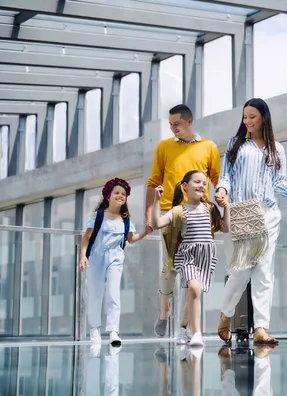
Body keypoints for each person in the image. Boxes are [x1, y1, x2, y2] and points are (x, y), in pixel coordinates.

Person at [214, 98, 287, 345]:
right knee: (239, 271)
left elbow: (278, 182)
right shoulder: (235, 145)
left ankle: (261, 328)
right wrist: (222, 192)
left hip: (268, 214)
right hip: (241, 212)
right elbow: (226, 176)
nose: (247, 121)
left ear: (263, 118)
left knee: (264, 271)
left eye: (252, 117)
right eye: (245, 116)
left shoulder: (276, 149)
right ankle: (226, 313)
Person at [145, 104, 221, 338]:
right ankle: (165, 310)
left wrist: (223, 202)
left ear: (189, 121)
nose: (172, 128)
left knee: (195, 273)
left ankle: (186, 323)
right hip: (172, 212)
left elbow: (218, 180)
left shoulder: (209, 147)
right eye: (170, 124)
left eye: (176, 123)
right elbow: (153, 181)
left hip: (201, 213)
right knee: (169, 269)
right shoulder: (164, 147)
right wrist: (149, 215)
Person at [152, 170, 229, 346]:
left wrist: (227, 207)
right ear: (185, 186)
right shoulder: (178, 211)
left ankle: (182, 328)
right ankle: (196, 334)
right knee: (194, 288)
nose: (201, 185)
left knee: (193, 292)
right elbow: (157, 224)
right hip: (187, 255)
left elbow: (224, 228)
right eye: (197, 182)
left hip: (206, 255)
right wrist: (156, 201)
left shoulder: (210, 208)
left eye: (204, 183)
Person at [79, 177, 148, 346]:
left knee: (113, 293)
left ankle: (113, 331)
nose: (120, 195)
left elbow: (131, 239)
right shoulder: (99, 216)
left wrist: (146, 232)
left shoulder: (126, 220)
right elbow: (86, 237)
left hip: (116, 259)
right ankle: (94, 329)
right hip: (96, 258)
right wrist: (83, 256)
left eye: (123, 194)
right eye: (117, 192)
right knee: (95, 293)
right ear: (108, 196)